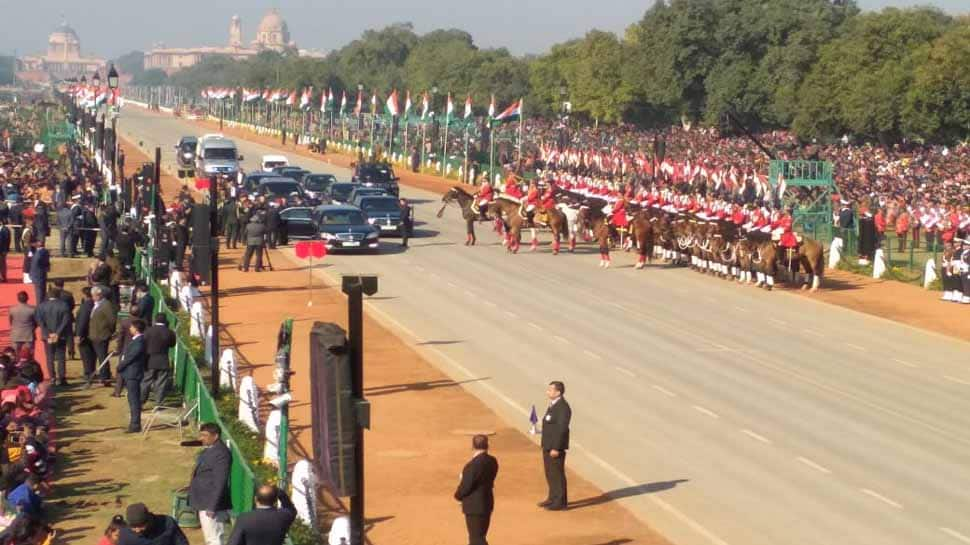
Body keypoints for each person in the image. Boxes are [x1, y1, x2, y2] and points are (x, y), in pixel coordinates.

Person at [188, 422, 232, 545]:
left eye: (205, 435)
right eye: (201, 435)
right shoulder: (211, 449)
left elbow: (220, 481)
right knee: (211, 537)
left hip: (211, 505)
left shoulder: (221, 454)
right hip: (204, 501)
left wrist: (212, 506)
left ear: (216, 436)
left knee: (214, 539)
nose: (201, 438)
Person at [454, 434, 499, 545]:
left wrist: (457, 495)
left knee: (476, 539)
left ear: (473, 446)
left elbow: (466, 486)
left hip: (475, 506)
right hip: (487, 503)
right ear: (487, 445)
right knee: (480, 536)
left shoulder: (472, 465)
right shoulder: (492, 461)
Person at [226, 485, 297, 545]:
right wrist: (280, 493)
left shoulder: (244, 518)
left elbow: (234, 542)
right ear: (275, 501)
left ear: (255, 499)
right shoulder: (283, 516)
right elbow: (290, 508)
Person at [539, 380, 571, 511]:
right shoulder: (553, 405)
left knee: (557, 474)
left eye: (551, 390)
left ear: (558, 392)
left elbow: (562, 429)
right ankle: (552, 497)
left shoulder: (563, 408)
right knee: (550, 473)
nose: (548, 392)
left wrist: (556, 448)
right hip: (548, 445)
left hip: (555, 447)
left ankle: (560, 502)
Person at [117, 319, 147, 433]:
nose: (130, 329)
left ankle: (135, 424)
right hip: (131, 372)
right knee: (132, 398)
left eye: (132, 327)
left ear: (136, 329)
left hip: (133, 373)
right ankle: (134, 423)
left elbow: (131, 357)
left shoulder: (139, 341)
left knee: (134, 399)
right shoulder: (136, 340)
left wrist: (121, 366)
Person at [34, 289, 70, 385]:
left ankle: (52, 377)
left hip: (47, 336)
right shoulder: (64, 305)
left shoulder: (41, 306)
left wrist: (48, 333)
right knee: (61, 357)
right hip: (61, 335)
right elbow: (65, 321)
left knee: (50, 357)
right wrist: (57, 333)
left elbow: (40, 322)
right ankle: (62, 378)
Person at [141, 314, 176, 406]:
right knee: (161, 382)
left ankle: (141, 401)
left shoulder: (148, 331)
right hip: (163, 360)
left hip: (149, 360)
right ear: (166, 321)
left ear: (155, 320)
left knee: (146, 381)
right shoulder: (169, 332)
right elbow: (172, 344)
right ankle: (159, 403)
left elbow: (143, 343)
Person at [118, 503, 189, 545]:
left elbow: (182, 543)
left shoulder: (167, 523)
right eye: (133, 527)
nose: (137, 530)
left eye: (140, 526)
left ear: (148, 520)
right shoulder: (125, 534)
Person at [89, 286, 118, 386]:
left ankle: (105, 378)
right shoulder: (97, 304)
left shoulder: (106, 305)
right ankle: (103, 376)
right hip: (95, 335)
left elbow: (112, 320)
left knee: (102, 357)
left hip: (101, 335)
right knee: (100, 356)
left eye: (94, 295)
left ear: (99, 295)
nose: (93, 297)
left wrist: (109, 331)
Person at [75, 287, 97, 379]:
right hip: (94, 332)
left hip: (85, 334)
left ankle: (88, 372)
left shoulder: (85, 306)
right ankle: (92, 370)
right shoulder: (95, 304)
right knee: (93, 354)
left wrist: (79, 334)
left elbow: (82, 321)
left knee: (86, 354)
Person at [28, 240, 50, 305]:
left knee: (39, 292)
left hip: (38, 275)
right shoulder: (44, 251)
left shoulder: (38, 254)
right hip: (42, 274)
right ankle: (42, 303)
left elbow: (35, 264)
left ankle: (39, 305)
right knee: (42, 290)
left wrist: (31, 274)